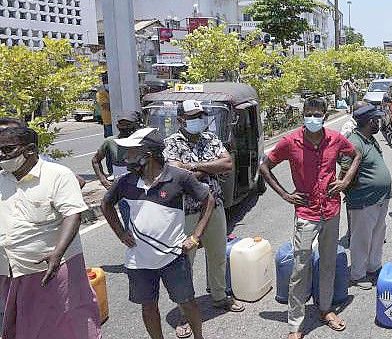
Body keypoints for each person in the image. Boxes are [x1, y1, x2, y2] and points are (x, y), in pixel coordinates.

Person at [259, 98, 361, 339]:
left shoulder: (335, 139)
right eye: (309, 113)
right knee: (300, 268)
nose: (313, 118)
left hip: (331, 209)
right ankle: (295, 324)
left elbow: (355, 154)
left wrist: (345, 181)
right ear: (303, 114)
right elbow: (265, 167)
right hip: (306, 213)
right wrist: (285, 194)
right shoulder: (290, 141)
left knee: (328, 263)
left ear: (325, 116)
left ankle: (325, 309)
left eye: (317, 114)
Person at [100, 127, 214, 339]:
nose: (127, 157)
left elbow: (208, 199)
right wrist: (120, 232)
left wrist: (196, 236)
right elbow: (105, 205)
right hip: (139, 259)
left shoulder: (179, 177)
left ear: (148, 155)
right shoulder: (125, 181)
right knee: (148, 306)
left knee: (187, 302)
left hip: (174, 256)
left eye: (132, 152)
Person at [0, 126, 102, 339]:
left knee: (65, 323)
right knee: (21, 326)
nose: (1, 155)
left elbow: (73, 214)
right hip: (11, 268)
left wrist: (57, 253)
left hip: (51, 268)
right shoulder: (2, 179)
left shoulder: (57, 175)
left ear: (29, 150)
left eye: (8, 149)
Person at [163, 100, 243, 338]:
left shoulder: (211, 139)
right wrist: (209, 168)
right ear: (181, 120)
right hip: (185, 210)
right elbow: (175, 173)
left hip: (214, 205)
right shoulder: (170, 143)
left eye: (200, 115)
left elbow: (227, 163)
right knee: (184, 261)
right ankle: (184, 312)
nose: (197, 120)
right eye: (192, 116)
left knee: (218, 254)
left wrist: (193, 166)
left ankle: (219, 297)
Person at [340, 105, 391, 290]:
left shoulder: (369, 139)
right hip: (364, 199)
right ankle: (358, 274)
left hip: (379, 198)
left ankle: (373, 266)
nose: (379, 123)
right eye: (376, 120)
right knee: (361, 237)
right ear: (370, 122)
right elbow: (345, 169)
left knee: (377, 233)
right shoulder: (354, 142)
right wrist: (354, 192)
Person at [92, 111, 140, 188]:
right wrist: (103, 180)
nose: (125, 127)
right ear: (117, 126)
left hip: (139, 185)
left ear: (136, 125)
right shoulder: (110, 142)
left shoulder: (142, 141)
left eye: (128, 124)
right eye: (122, 124)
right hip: (119, 186)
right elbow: (95, 161)